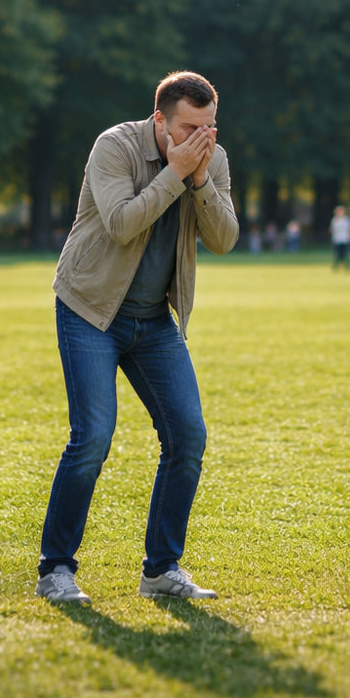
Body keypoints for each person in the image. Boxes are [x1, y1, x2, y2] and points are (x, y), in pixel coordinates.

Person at [35, 71, 239, 605]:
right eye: (191, 128)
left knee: (188, 436)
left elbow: (224, 238)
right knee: (93, 438)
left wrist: (197, 180)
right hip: (89, 308)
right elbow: (124, 223)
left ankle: (161, 569)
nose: (203, 139)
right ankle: (56, 569)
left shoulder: (210, 160)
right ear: (160, 122)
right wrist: (175, 173)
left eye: (210, 126)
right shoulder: (114, 147)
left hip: (152, 321)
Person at [330, 206, 350, 271]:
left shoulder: (347, 220)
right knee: (337, 254)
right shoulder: (334, 220)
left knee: (346, 254)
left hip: (345, 239)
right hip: (337, 239)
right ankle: (336, 267)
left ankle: (347, 267)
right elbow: (332, 230)